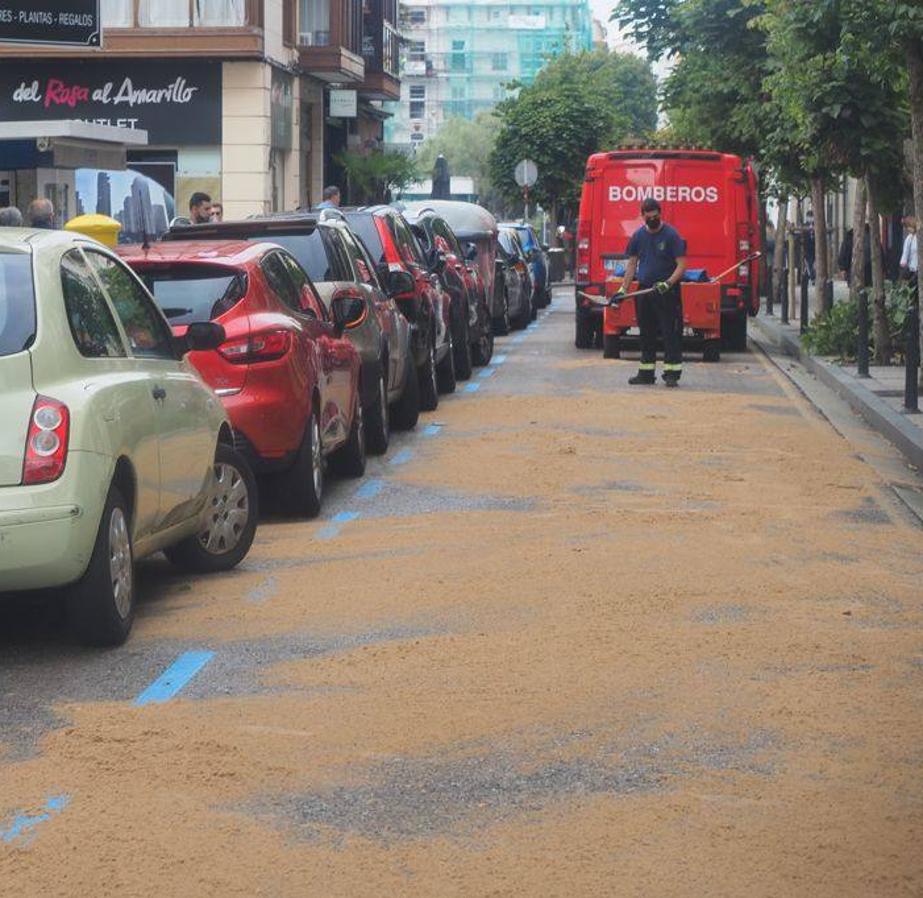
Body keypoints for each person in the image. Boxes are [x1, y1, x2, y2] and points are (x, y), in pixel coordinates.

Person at [612, 198, 688, 387]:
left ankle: (671, 374)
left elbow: (682, 265)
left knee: (670, 332)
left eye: (656, 216)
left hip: (666, 292)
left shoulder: (671, 235)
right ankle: (646, 373)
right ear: (643, 216)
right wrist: (624, 288)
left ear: (660, 214)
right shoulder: (638, 237)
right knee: (646, 333)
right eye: (649, 217)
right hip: (645, 291)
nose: (653, 220)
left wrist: (668, 283)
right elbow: (631, 264)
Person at [900, 216, 918, 282]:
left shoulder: (910, 238)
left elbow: (905, 254)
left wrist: (903, 264)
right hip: (912, 269)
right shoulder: (909, 238)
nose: (907, 229)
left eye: (908, 227)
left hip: (915, 268)